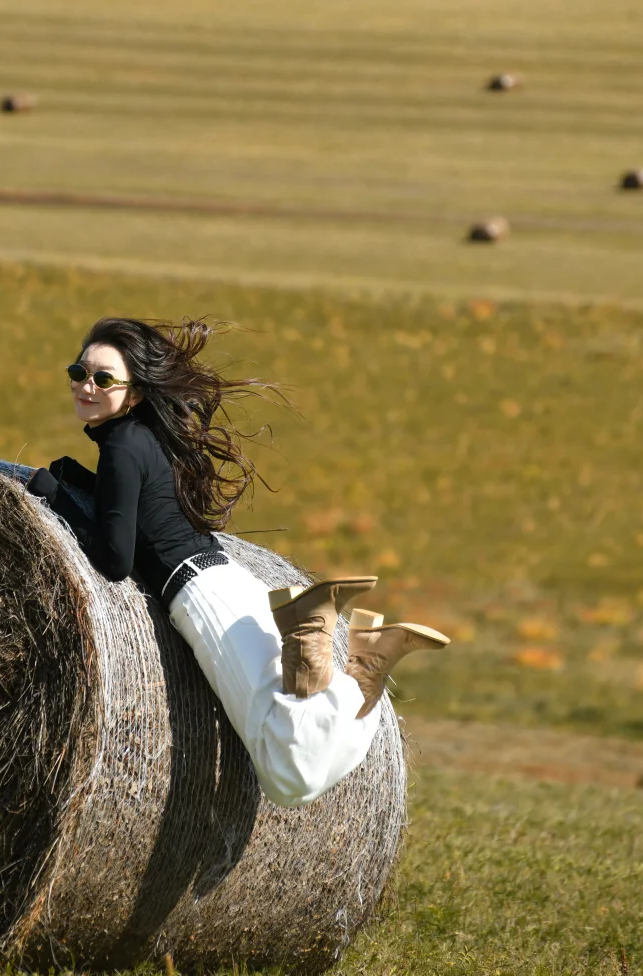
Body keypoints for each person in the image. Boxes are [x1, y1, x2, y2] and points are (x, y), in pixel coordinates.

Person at [25, 317, 448, 808]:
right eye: (79, 372)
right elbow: (142, 511)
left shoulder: (122, 446)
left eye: (103, 378)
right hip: (229, 580)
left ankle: (313, 640)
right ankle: (363, 663)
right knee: (303, 746)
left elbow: (115, 560)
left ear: (135, 392)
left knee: (288, 776)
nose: (85, 386)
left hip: (202, 602)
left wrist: (55, 495)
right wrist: (79, 479)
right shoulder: (142, 436)